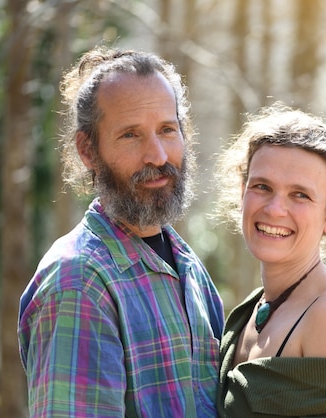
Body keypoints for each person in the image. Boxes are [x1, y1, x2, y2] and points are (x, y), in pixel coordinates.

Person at [18, 46, 224, 417]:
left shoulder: (186, 264)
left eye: (167, 130)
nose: (158, 156)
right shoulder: (79, 283)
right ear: (88, 151)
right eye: (131, 135)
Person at [213, 103, 326, 417]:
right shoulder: (250, 310)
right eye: (262, 187)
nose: (275, 209)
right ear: (243, 193)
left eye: (300, 195)